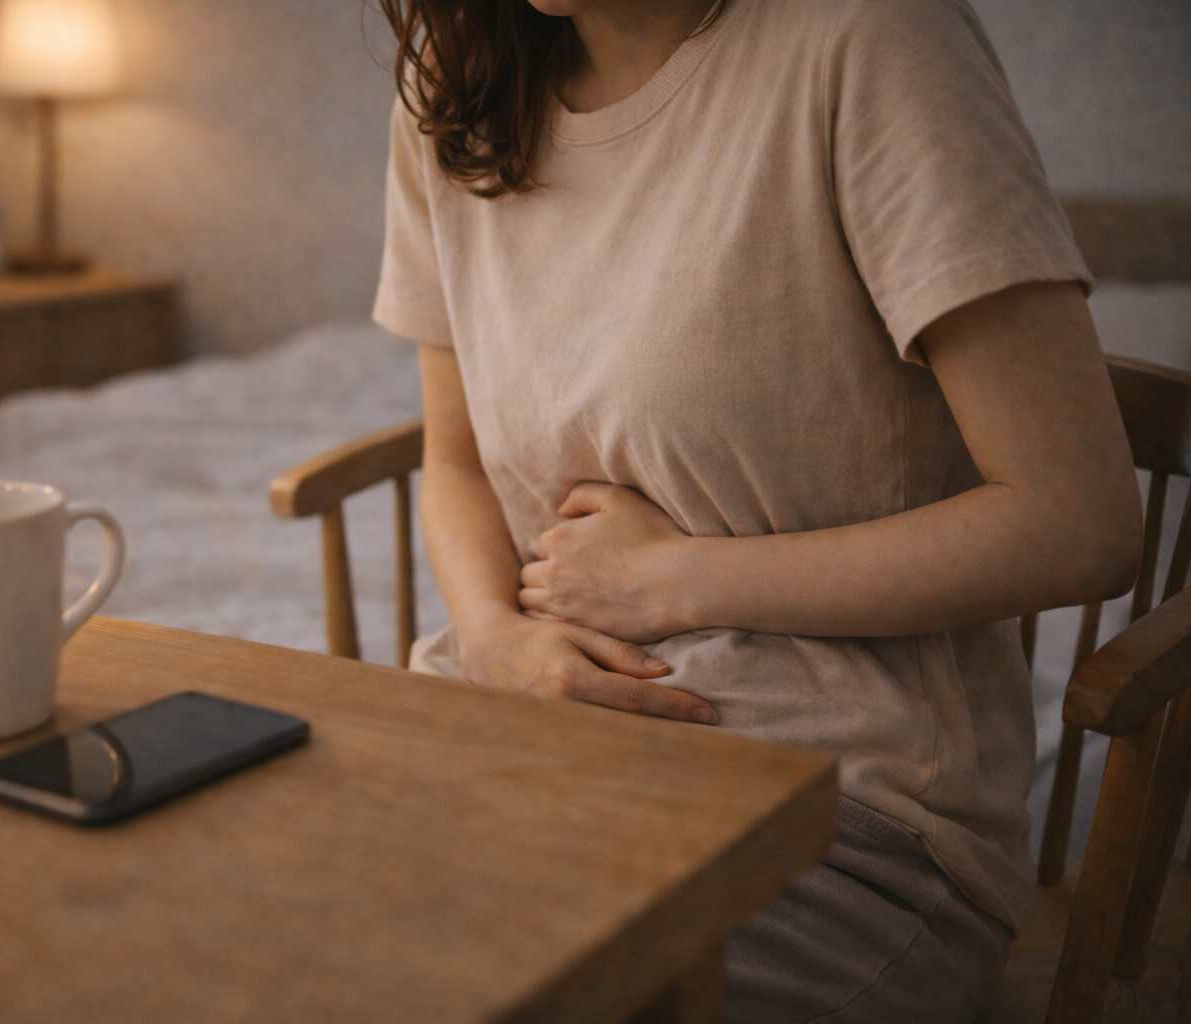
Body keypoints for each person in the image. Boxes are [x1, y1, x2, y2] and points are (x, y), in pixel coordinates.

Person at [369, 0, 1143, 1020]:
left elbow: (1077, 520)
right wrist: (491, 636)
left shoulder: (873, 41)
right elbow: (457, 456)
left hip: (835, 807)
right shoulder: (458, 86)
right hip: (504, 735)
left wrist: (677, 580)